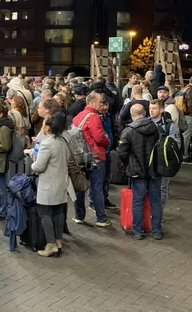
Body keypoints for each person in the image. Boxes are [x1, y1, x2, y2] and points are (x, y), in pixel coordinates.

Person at [117, 104, 162, 240]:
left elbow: (122, 152)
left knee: (138, 201)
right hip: (154, 170)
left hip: (137, 171)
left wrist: (129, 164)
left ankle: (138, 231)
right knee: (156, 200)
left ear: (132, 115)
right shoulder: (155, 128)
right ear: (145, 112)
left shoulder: (128, 131)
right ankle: (157, 230)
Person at [31, 112, 70, 257]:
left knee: (44, 213)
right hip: (61, 183)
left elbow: (38, 166)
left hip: (48, 184)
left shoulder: (47, 143)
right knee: (58, 212)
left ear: (48, 128)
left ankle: (50, 244)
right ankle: (58, 241)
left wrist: (32, 160)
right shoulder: (62, 141)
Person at [72, 92, 112, 227]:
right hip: (96, 157)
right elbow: (99, 138)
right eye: (100, 102)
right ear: (92, 102)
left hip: (80, 157)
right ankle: (101, 218)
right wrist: (108, 141)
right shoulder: (94, 117)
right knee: (97, 188)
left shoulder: (78, 116)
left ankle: (79, 215)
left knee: (80, 187)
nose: (102, 105)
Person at [149, 99, 180, 209]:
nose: (151, 111)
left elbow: (176, 144)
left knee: (162, 188)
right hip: (149, 161)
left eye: (154, 108)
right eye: (150, 108)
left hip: (163, 162)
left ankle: (158, 212)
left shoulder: (170, 125)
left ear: (161, 110)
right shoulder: (145, 123)